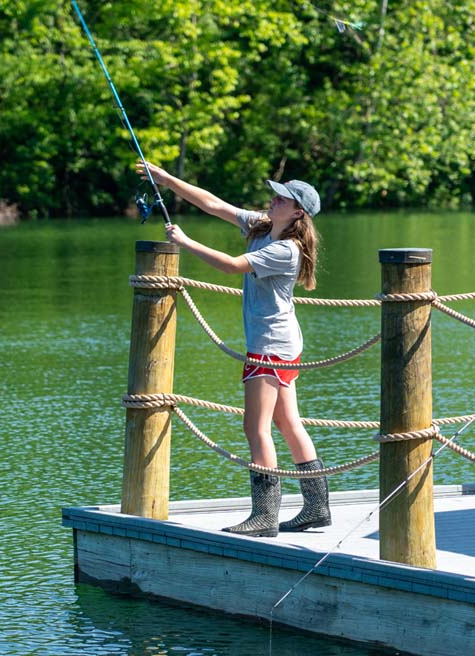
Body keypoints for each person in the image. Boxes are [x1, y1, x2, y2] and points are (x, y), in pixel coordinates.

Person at [136, 160, 330, 538]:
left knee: (255, 427)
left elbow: (229, 265)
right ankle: (317, 507)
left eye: (282, 199)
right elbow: (213, 204)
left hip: (271, 345)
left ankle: (264, 516)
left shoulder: (285, 250)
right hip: (281, 342)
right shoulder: (262, 226)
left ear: (297, 213)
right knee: (287, 422)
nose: (273, 201)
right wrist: (166, 179)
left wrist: (185, 242)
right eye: (275, 195)